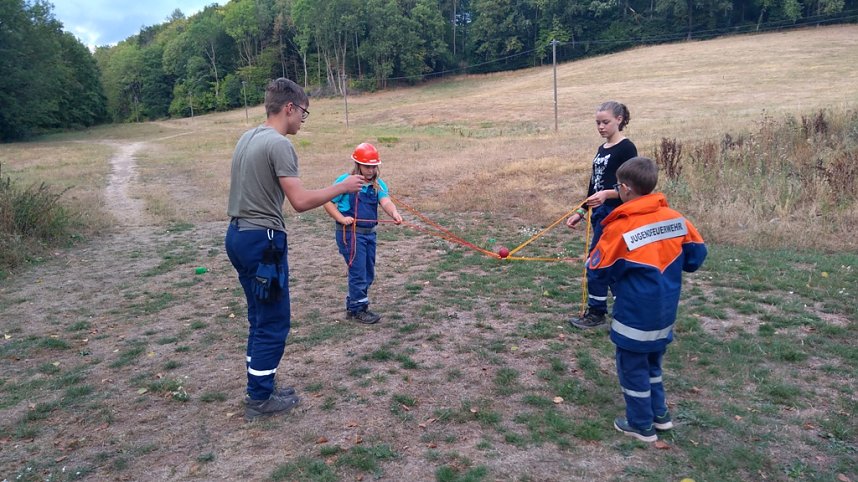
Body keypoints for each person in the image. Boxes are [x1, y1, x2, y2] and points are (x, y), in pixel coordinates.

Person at [225, 78, 364, 421]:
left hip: (237, 236)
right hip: (263, 241)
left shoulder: (248, 137)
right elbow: (300, 201)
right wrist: (342, 187)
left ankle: (260, 386)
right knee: (273, 321)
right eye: (303, 112)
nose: (303, 119)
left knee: (259, 317)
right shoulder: (279, 144)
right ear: (289, 108)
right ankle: (259, 399)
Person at [586, 156, 707, 442]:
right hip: (665, 310)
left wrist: (598, 256)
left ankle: (641, 424)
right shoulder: (676, 218)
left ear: (626, 188)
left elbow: (598, 269)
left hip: (635, 311)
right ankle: (660, 414)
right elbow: (696, 257)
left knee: (632, 367)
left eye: (618, 185)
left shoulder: (621, 227)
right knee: (653, 361)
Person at [567, 101, 638, 329]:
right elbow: (594, 184)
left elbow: (632, 188)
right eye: (597, 123)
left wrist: (608, 194)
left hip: (615, 214)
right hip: (598, 213)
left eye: (605, 122)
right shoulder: (602, 149)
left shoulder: (627, 148)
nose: (600, 127)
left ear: (619, 119)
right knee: (609, 263)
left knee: (597, 262)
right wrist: (582, 210)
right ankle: (626, 311)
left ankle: (597, 313)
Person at [324, 142, 403, 324]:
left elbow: (385, 201)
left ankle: (355, 303)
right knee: (358, 271)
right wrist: (341, 218)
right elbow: (327, 201)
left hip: (369, 234)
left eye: (374, 167)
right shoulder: (346, 181)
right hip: (350, 234)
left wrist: (394, 213)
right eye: (367, 166)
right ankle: (358, 309)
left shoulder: (377, 184)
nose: (371, 170)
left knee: (368, 272)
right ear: (358, 164)